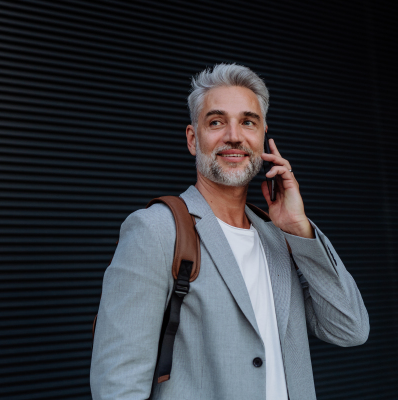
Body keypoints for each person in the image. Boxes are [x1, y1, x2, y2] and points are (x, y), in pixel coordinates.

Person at [90, 63, 369, 400]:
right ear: (194, 139)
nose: (234, 135)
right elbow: (118, 384)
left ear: (263, 136)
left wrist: (299, 228)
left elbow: (349, 329)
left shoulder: (281, 237)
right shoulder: (155, 230)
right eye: (217, 122)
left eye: (248, 122)